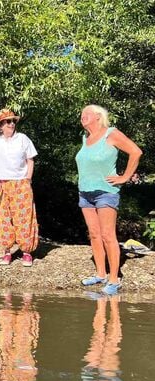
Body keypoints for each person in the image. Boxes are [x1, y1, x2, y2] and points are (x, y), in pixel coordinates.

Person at [76, 105, 142, 295]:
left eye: (87, 113)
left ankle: (114, 279)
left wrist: (125, 177)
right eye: (81, 115)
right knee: (94, 234)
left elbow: (135, 152)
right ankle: (100, 273)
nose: (83, 116)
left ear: (98, 116)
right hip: (85, 193)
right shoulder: (85, 139)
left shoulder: (110, 134)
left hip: (105, 192)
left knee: (107, 235)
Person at [0, 108, 39, 267]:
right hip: (0, 183)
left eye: (13, 121)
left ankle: (26, 252)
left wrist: (28, 178)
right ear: (0, 125)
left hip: (20, 182)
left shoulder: (23, 139)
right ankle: (7, 252)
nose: (12, 124)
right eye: (8, 121)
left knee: (24, 217)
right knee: (2, 217)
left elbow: (30, 160)